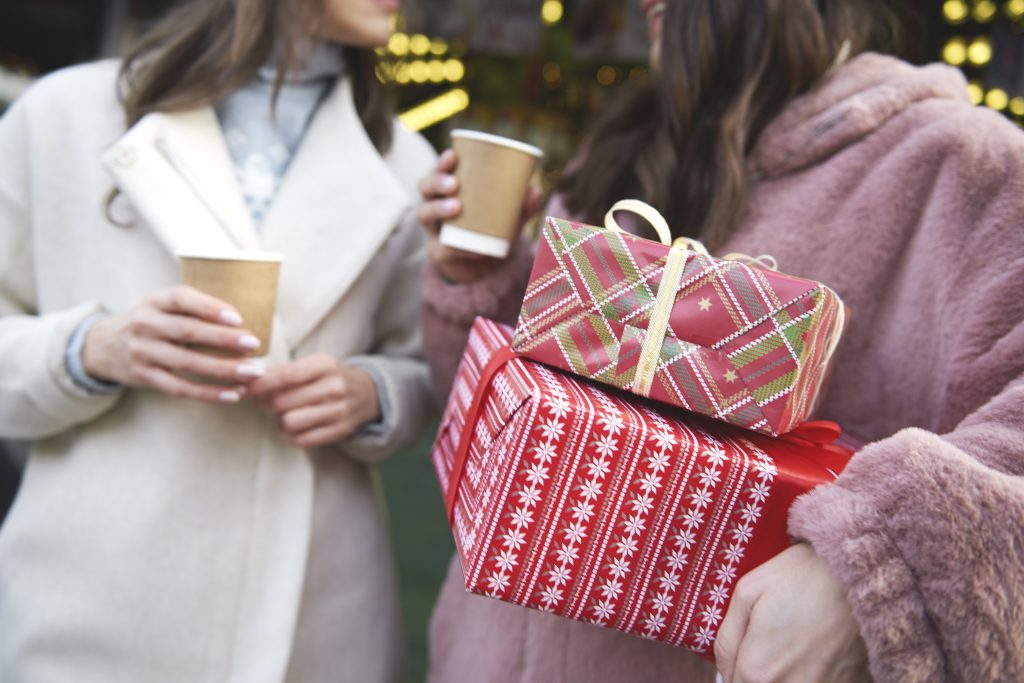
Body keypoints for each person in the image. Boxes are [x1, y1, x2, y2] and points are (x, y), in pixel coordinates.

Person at [416, 0, 1024, 681]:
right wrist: (479, 275)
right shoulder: (623, 149)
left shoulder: (963, 163)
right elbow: (520, 409)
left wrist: (874, 562)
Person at [0, 0, 436, 680]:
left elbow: (424, 369)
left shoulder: (407, 163)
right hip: (91, 593)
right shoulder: (64, 114)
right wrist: (91, 348)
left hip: (313, 609)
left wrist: (371, 393)